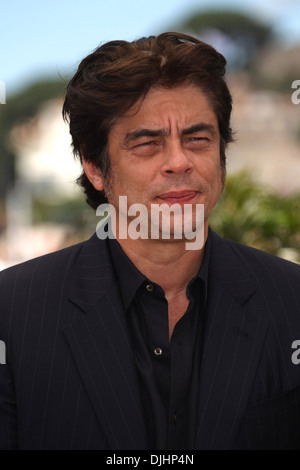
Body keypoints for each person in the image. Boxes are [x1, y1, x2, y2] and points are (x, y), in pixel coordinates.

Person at [0, 32, 300, 451]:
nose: (179, 161)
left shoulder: (291, 300)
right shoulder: (12, 315)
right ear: (95, 166)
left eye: (198, 138)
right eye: (147, 143)